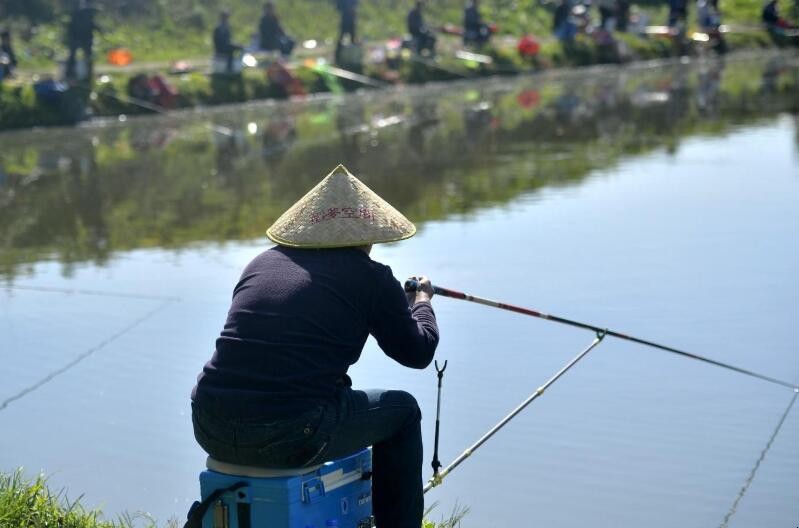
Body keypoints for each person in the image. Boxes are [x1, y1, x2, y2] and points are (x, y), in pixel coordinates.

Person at [191, 164, 439, 528]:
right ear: (369, 235)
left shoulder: (261, 263)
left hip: (209, 423)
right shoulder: (372, 276)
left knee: (331, 392)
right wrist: (421, 302)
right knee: (403, 412)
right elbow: (418, 352)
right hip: (288, 433)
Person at [65, 0, 102, 80]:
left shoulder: (89, 12)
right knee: (72, 56)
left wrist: (99, 29)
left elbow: (92, 23)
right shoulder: (76, 12)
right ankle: (70, 73)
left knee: (88, 57)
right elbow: (71, 26)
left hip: (86, 38)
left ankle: (88, 74)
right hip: (76, 37)